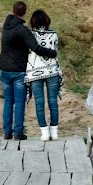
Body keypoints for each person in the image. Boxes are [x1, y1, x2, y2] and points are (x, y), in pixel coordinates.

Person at [0, 1, 57, 140]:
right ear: (24, 12)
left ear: (13, 10)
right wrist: (52, 53)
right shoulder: (22, 30)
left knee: (8, 101)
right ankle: (18, 132)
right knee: (19, 102)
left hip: (4, 69)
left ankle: (7, 132)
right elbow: (36, 48)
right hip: (18, 70)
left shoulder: (5, 27)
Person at [25, 9, 63, 141]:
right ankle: (55, 132)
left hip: (35, 72)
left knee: (39, 103)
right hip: (52, 71)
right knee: (53, 102)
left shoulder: (29, 35)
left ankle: (44, 133)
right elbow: (55, 50)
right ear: (47, 20)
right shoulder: (54, 34)